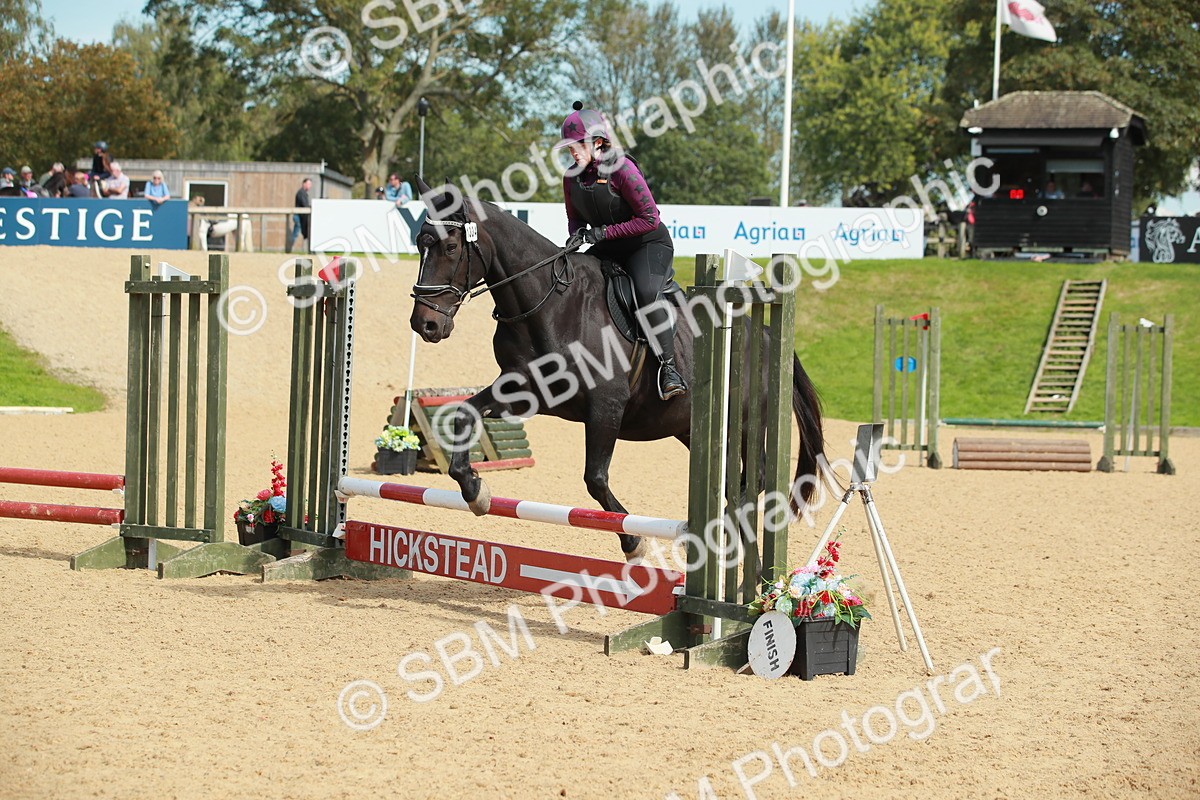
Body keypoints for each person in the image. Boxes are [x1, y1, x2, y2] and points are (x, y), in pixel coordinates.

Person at [558, 101, 686, 400]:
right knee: (572, 279)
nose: (573, 152)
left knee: (645, 292)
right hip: (608, 246)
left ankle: (669, 369)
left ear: (598, 142)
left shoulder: (622, 169)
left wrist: (603, 233)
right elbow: (575, 218)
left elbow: (650, 218)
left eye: (578, 145)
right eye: (569, 147)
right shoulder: (571, 177)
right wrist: (576, 237)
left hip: (647, 244)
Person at [288, 178, 312, 253]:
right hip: (299, 216)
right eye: (308, 184)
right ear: (304, 184)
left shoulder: (303, 193)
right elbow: (304, 205)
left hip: (301, 216)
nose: (310, 186)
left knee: (299, 232)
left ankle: (290, 249)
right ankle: (289, 249)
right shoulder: (301, 193)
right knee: (296, 233)